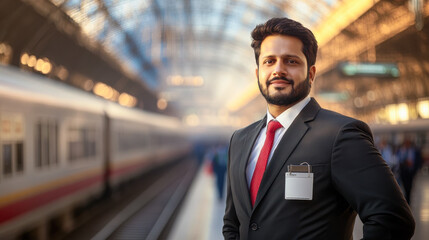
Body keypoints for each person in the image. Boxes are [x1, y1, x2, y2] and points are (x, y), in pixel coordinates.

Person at [223, 17, 415, 240]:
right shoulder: (239, 140)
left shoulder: (341, 135)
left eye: (291, 61)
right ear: (257, 74)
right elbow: (232, 222)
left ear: (311, 73)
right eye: (269, 61)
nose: (278, 70)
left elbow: (393, 220)